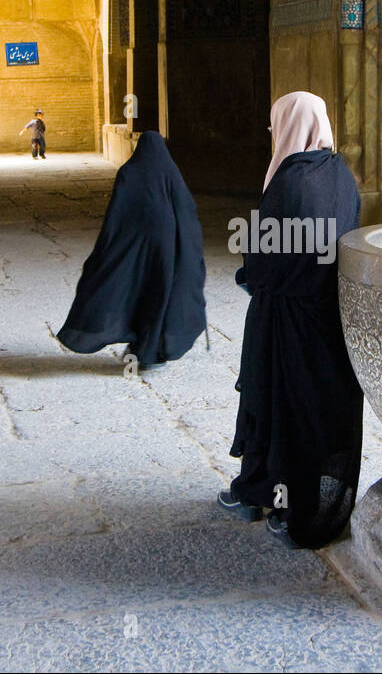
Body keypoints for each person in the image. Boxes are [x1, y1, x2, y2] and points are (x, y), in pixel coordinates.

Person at [218, 92, 363, 549]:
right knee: (316, 410)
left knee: (281, 405)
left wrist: (251, 274)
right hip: (330, 316)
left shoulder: (288, 183)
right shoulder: (342, 175)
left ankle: (278, 502)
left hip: (286, 321)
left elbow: (262, 264)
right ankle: (291, 498)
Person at [56, 131, 206, 370]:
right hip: (166, 248)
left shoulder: (129, 172)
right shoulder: (171, 174)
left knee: (136, 290)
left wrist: (107, 250)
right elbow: (188, 214)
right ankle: (153, 350)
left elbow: (117, 215)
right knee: (160, 292)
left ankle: (139, 345)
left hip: (134, 247)